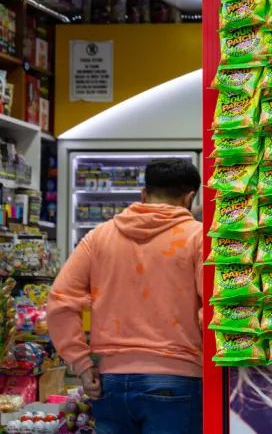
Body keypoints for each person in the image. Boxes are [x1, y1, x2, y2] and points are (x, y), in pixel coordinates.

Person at [48, 158, 204, 434]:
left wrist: (83, 364)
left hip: (110, 384)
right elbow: (213, 309)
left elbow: (60, 300)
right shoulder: (197, 237)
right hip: (177, 381)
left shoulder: (99, 237)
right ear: (190, 197)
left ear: (143, 194)